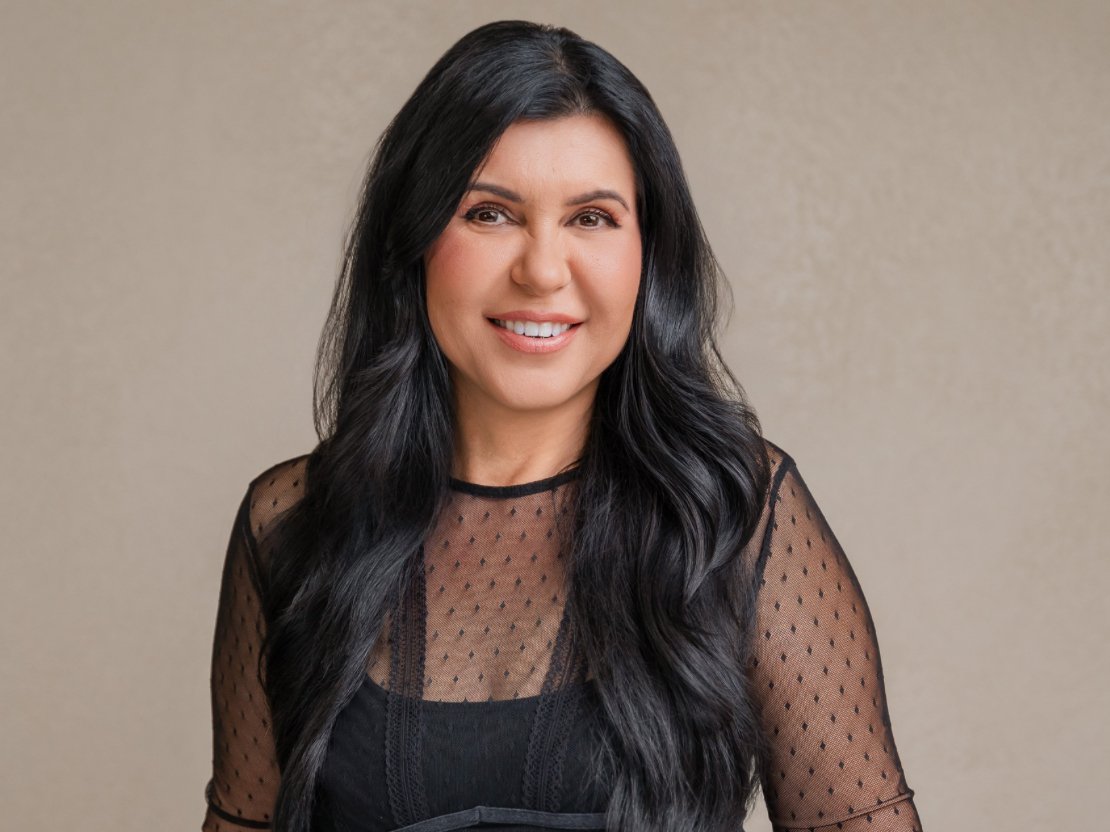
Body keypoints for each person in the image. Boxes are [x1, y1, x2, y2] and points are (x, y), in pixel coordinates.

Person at [201, 19, 923, 832]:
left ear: (649, 254)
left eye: (592, 219)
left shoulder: (734, 510)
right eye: (490, 214)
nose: (543, 269)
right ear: (413, 241)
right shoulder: (291, 525)